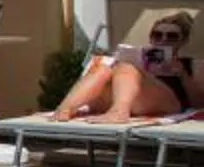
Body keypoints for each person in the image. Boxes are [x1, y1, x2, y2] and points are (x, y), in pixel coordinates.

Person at [47, 13, 196, 121]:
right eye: (158, 35)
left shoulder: (190, 64)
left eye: (171, 36)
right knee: (102, 69)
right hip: (127, 98)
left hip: (169, 102)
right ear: (151, 37)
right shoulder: (140, 55)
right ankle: (65, 108)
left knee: (127, 67)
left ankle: (119, 112)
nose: (163, 39)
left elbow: (198, 102)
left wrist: (182, 74)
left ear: (183, 40)